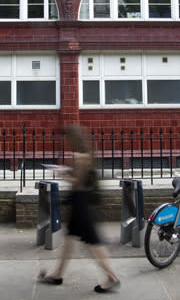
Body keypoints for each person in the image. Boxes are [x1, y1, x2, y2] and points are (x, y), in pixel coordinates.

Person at [39, 124, 120, 293]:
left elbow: (77, 182)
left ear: (73, 139)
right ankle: (58, 274)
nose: (65, 142)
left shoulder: (81, 157)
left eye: (67, 139)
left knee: (93, 243)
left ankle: (112, 277)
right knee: (69, 239)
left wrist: (62, 174)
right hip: (80, 203)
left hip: (81, 205)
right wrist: (68, 170)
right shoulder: (86, 155)